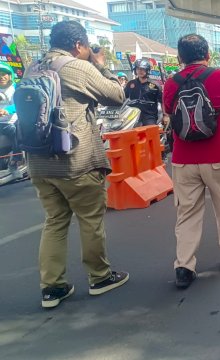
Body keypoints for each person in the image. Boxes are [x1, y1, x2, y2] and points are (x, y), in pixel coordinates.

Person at [25, 21, 128, 308]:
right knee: (90, 219)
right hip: (75, 161)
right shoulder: (76, 67)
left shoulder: (32, 68)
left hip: (38, 162)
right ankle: (100, 277)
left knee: (55, 222)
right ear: (78, 45)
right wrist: (100, 65)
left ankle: (52, 287)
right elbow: (118, 96)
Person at [162, 34, 220, 289]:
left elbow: (168, 113)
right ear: (208, 55)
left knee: (187, 214)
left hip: (184, 160)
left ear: (179, 58)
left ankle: (184, 267)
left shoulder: (170, 84)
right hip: (218, 158)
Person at [125, 59, 164, 126]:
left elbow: (162, 101)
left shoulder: (155, 85)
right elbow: (123, 98)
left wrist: (165, 115)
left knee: (150, 133)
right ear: (135, 70)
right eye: (138, 69)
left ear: (147, 70)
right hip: (132, 115)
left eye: (142, 69)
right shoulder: (130, 84)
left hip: (149, 116)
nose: (140, 71)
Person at [0, 62, 19, 176]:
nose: (1, 77)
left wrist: (8, 110)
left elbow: (19, 103)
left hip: (11, 121)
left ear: (10, 75)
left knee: (16, 131)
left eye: (4, 74)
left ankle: (15, 161)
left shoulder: (15, 88)